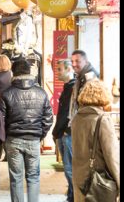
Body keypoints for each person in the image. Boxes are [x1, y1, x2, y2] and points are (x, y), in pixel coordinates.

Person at [1, 59, 53, 202]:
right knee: (33, 177)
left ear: (13, 72)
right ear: (30, 72)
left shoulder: (6, 94)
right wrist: (39, 134)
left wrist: (6, 137)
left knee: (16, 178)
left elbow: (2, 120)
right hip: (33, 139)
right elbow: (48, 118)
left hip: (13, 140)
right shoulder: (41, 93)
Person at [71, 80, 119, 201]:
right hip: (98, 181)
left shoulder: (76, 118)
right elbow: (112, 156)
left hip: (79, 178)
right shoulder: (103, 119)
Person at [52, 59, 75, 202]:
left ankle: (74, 196)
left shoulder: (74, 88)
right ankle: (71, 195)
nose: (57, 72)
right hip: (62, 133)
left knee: (70, 168)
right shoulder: (68, 87)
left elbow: (72, 112)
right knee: (68, 169)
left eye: (60, 69)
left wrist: (66, 130)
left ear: (69, 69)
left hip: (67, 134)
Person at [68, 50, 99, 126]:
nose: (74, 64)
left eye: (77, 61)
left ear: (86, 62)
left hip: (89, 121)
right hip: (83, 120)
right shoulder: (80, 77)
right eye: (72, 61)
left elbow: (90, 102)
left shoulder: (91, 77)